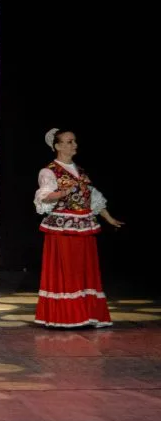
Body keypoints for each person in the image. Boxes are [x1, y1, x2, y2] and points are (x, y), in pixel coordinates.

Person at [33, 128, 123, 328]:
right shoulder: (49, 171)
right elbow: (44, 196)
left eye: (74, 141)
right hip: (63, 228)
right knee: (67, 271)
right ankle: (66, 316)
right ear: (57, 146)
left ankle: (87, 314)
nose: (74, 145)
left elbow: (92, 197)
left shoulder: (80, 171)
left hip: (84, 226)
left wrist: (109, 218)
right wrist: (61, 193)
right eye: (69, 142)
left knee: (84, 271)